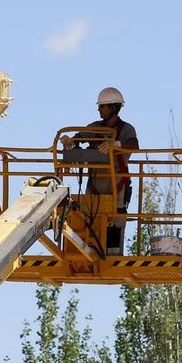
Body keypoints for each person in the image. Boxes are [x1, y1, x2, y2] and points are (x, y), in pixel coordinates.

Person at [60, 86, 137, 254]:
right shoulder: (95, 128)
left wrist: (115, 144)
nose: (99, 109)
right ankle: (86, 253)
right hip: (94, 187)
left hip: (116, 187)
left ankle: (112, 256)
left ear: (114, 107)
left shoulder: (126, 130)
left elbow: (134, 146)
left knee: (114, 223)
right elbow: (79, 138)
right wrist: (70, 142)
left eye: (102, 106)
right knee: (87, 220)